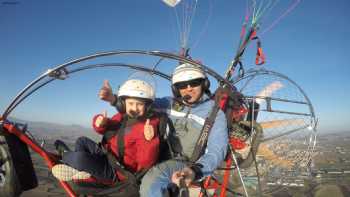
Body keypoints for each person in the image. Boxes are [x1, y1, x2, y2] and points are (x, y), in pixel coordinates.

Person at [100, 63, 228, 197]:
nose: (189, 88)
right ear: (176, 89)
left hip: (186, 163)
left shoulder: (215, 114)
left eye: (194, 82)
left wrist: (195, 171)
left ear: (204, 84)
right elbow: (140, 103)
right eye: (182, 85)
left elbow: (217, 150)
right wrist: (114, 99)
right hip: (160, 152)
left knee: (151, 182)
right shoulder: (168, 103)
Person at [52, 79, 165, 187]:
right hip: (108, 156)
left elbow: (145, 164)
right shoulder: (121, 116)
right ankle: (82, 170)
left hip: (119, 173)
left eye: (139, 104)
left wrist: (149, 140)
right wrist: (100, 123)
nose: (134, 108)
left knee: (79, 158)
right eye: (131, 103)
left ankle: (65, 155)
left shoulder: (148, 126)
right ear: (124, 103)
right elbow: (106, 128)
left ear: (147, 106)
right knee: (82, 141)